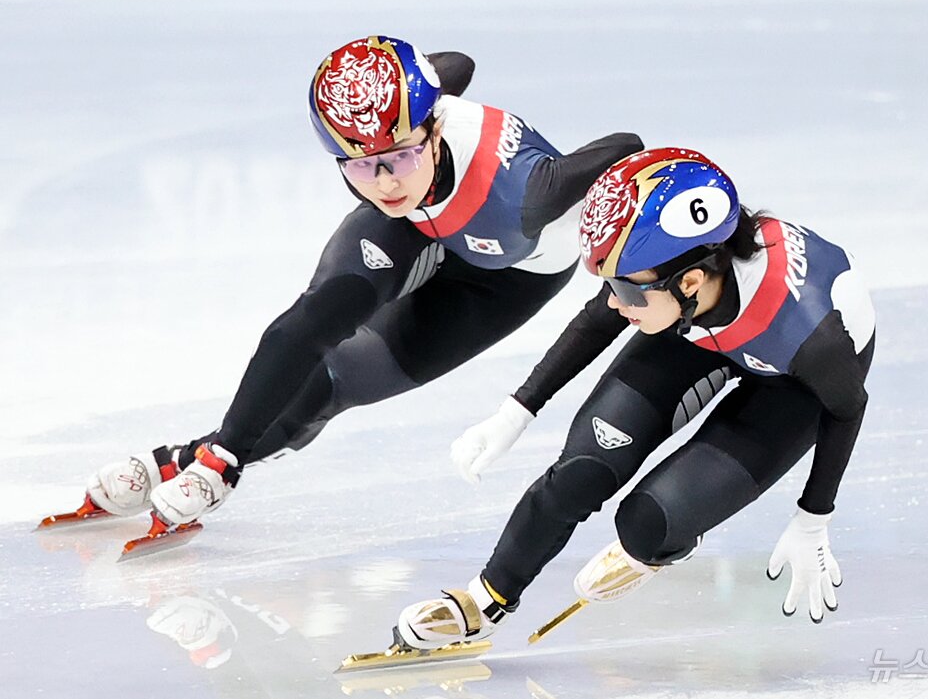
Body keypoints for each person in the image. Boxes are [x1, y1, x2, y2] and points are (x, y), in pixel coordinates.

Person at [82, 36, 643, 532]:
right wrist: (226, 456)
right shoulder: (397, 142)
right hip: (421, 226)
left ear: (437, 126)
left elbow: (625, 142)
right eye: (357, 164)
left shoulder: (527, 194)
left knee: (337, 388)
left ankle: (185, 458)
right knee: (319, 320)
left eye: (397, 157)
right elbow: (455, 65)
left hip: (506, 276)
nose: (382, 182)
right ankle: (217, 457)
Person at [395, 147, 876, 649]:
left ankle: (666, 538)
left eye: (625, 291)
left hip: (792, 383)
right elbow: (594, 321)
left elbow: (848, 407)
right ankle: (484, 600)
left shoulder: (812, 336)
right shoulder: (663, 274)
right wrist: (516, 410)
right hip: (693, 328)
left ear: (690, 281)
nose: (613, 302)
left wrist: (812, 519)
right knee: (582, 469)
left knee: (646, 524)